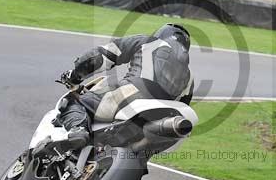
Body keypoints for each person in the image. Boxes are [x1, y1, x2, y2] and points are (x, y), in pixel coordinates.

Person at [57, 24, 194, 145]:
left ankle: (78, 129)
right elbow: (182, 107)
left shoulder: (150, 42)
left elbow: (100, 57)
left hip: (133, 93)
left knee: (75, 101)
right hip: (163, 116)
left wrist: (75, 75)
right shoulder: (189, 77)